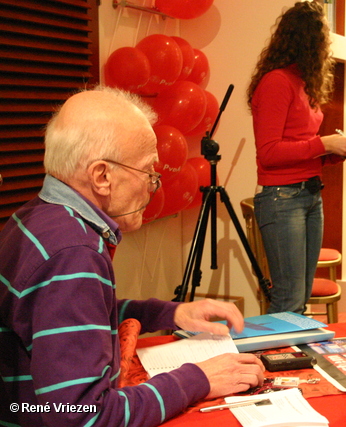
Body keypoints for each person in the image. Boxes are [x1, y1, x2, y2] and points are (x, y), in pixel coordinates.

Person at [0, 86, 265, 426]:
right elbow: (83, 417)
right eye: (148, 173)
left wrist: (172, 313)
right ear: (102, 176)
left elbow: (78, 314)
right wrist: (198, 379)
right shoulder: (73, 254)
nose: (153, 187)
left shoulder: (36, 218)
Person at [247, 1, 346, 314]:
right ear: (309, 42)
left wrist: (334, 152)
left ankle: (295, 361)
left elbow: (301, 147)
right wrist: (324, 145)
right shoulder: (277, 82)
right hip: (283, 198)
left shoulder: (302, 83)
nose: (328, 47)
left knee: (300, 298)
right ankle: (273, 359)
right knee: (289, 299)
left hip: (310, 194)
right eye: (325, 40)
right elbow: (269, 152)